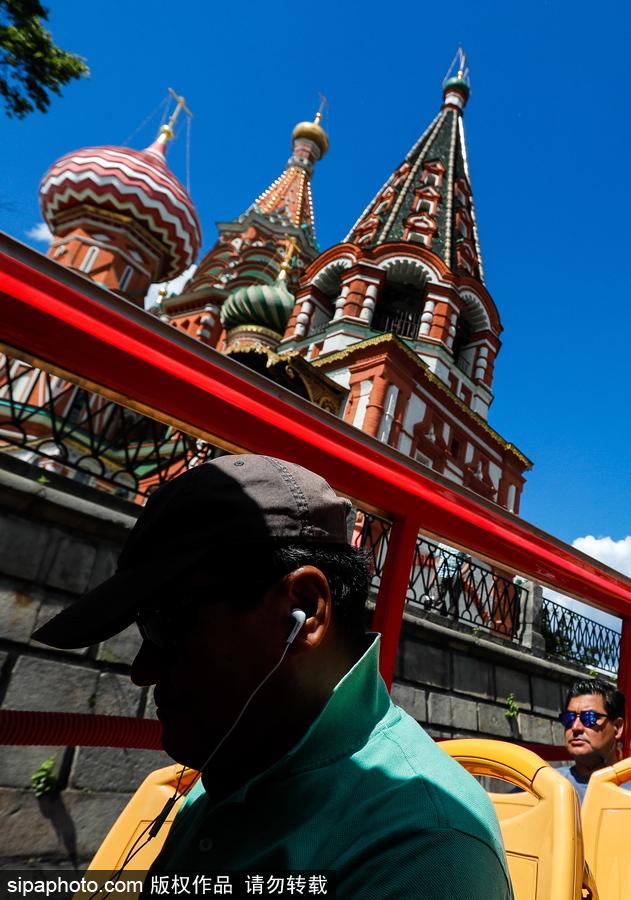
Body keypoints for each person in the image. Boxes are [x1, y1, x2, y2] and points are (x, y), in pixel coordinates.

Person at [32, 454, 513, 899]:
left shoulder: (424, 849)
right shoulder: (245, 746)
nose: (142, 671)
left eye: (164, 625)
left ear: (303, 610)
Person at [557, 678, 630, 803]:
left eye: (589, 718)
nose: (575, 727)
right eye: (569, 718)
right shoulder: (545, 784)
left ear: (617, 727)